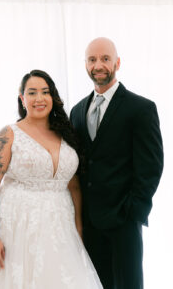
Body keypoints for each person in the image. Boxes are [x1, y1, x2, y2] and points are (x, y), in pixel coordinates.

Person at [0, 69, 103, 288]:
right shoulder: (7, 135)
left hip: (61, 228)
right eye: (32, 93)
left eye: (45, 92)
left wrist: (79, 230)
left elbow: (74, 187)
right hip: (18, 227)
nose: (39, 98)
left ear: (53, 97)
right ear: (22, 99)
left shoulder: (67, 134)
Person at [70, 37, 164, 289]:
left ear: (117, 63)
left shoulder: (141, 108)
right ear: (85, 65)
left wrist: (132, 211)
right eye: (92, 59)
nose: (98, 65)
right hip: (89, 223)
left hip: (124, 221)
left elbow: (151, 166)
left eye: (105, 58)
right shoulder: (77, 111)